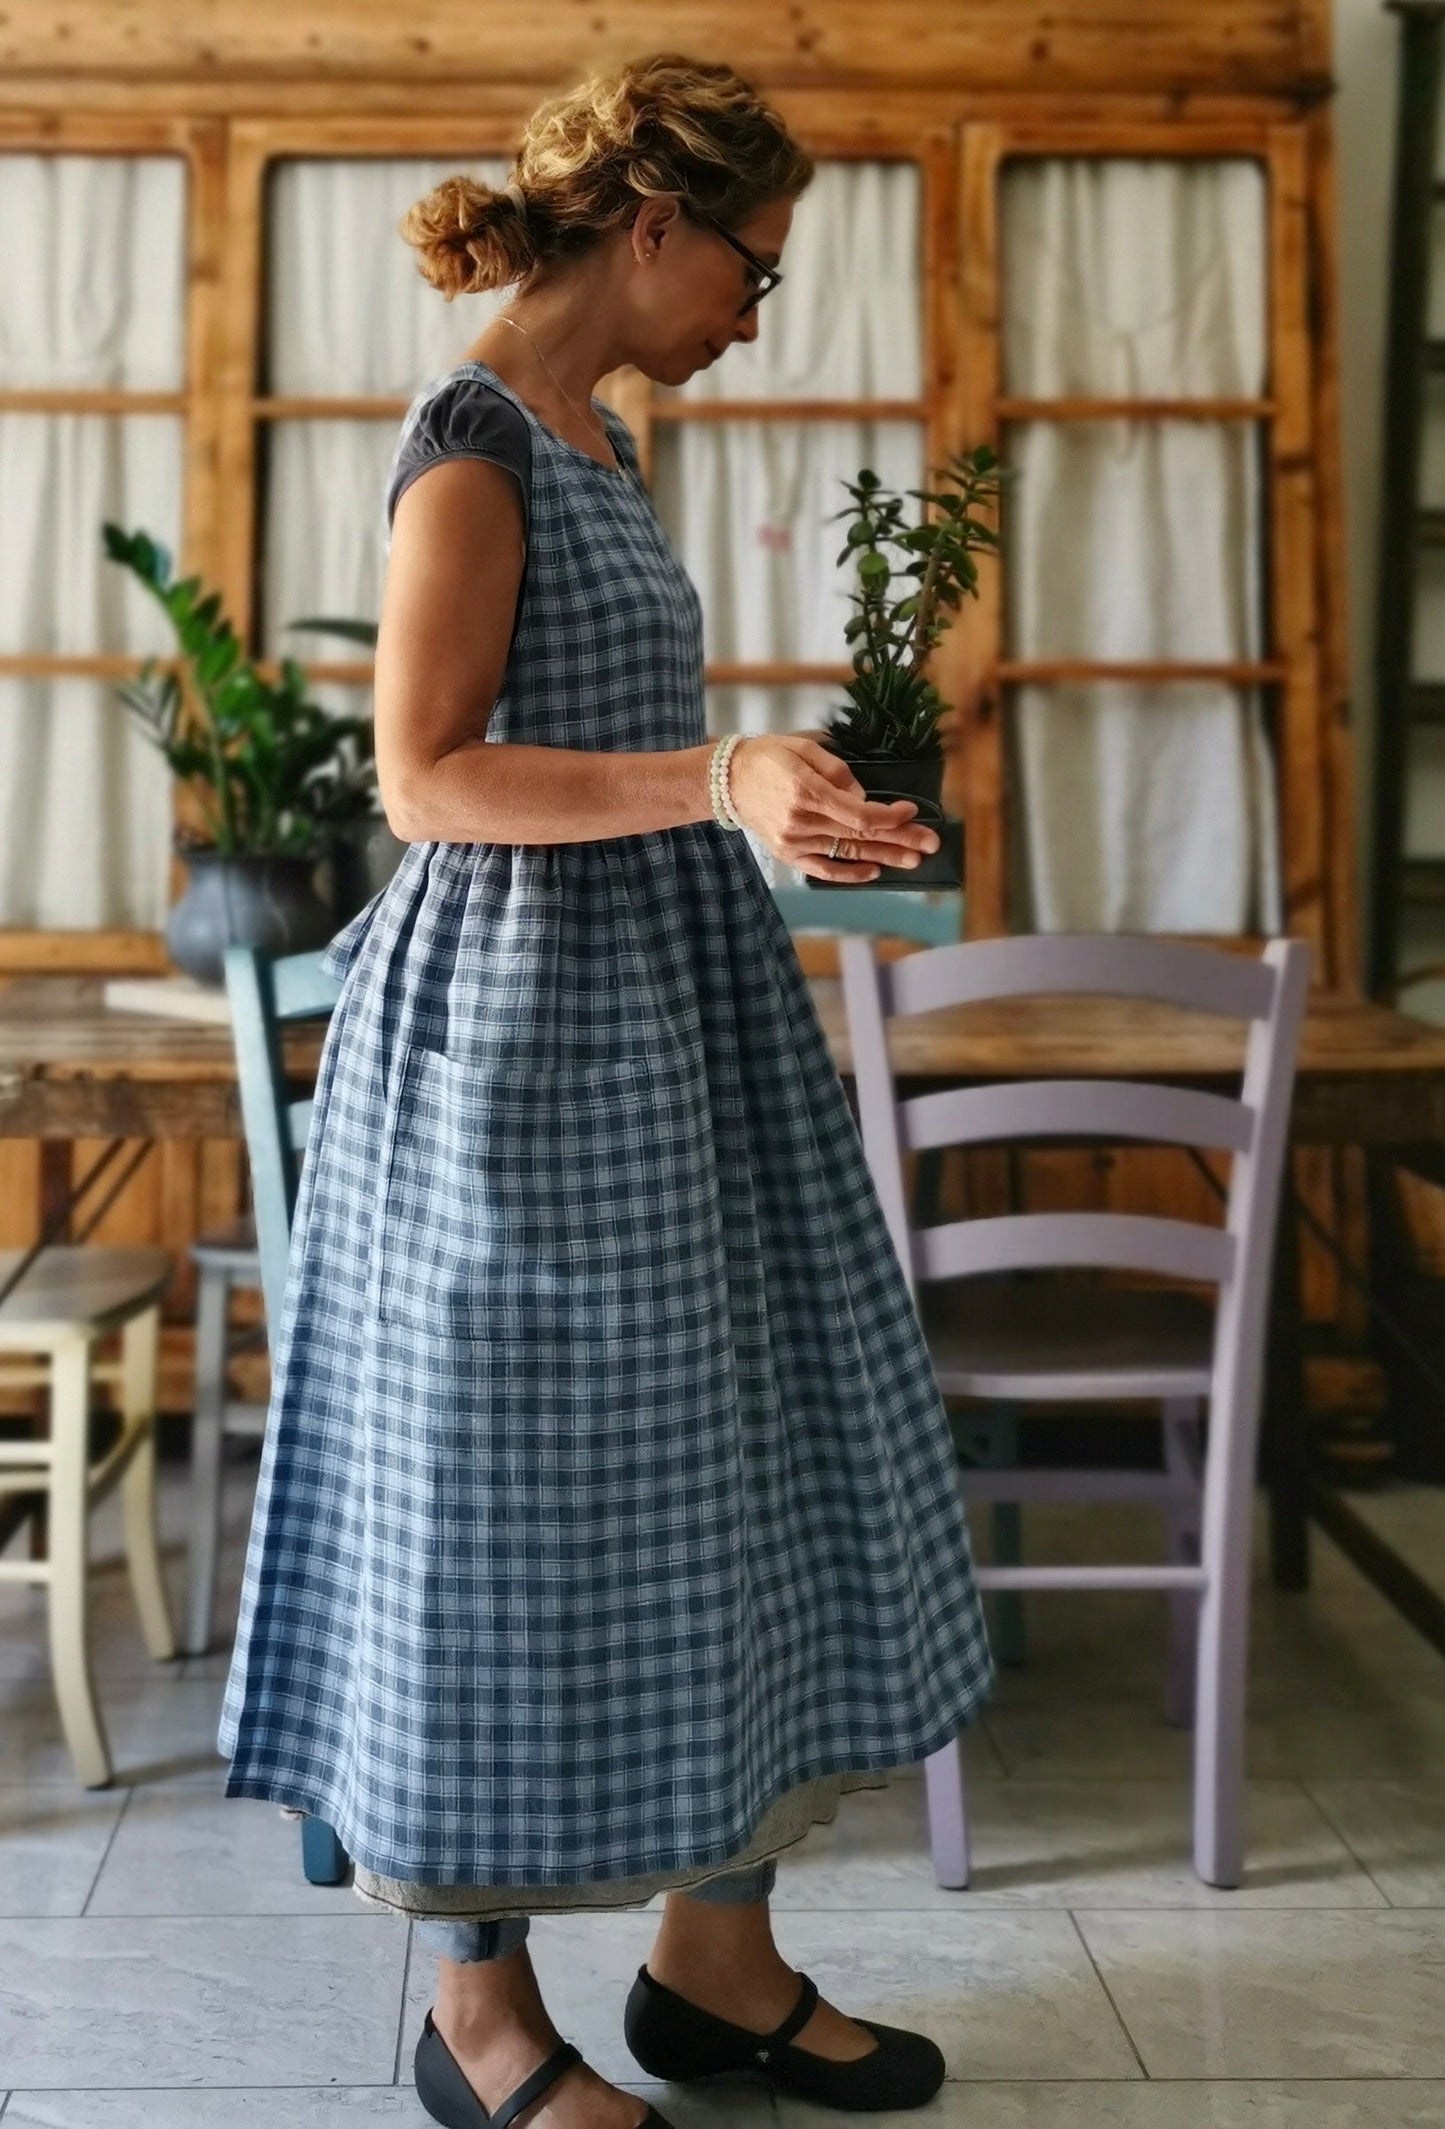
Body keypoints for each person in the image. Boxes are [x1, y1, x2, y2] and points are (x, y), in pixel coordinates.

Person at [218, 49, 994, 2129]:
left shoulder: (598, 438)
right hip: (514, 1062)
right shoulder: (471, 439)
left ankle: (710, 1964)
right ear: (652, 222)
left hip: (664, 1032)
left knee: (739, 1462)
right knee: (507, 1503)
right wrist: (713, 777)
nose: (763, 302)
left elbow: (602, 753)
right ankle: (478, 2020)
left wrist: (769, 801)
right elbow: (426, 776)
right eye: (754, 260)